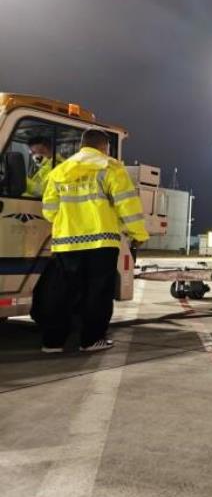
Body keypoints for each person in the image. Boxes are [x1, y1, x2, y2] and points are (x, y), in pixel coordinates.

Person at [39, 129, 148, 353]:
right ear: (104, 147)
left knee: (63, 293)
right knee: (97, 293)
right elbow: (127, 206)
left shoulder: (60, 171)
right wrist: (138, 235)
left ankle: (53, 342)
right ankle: (91, 340)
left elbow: (49, 212)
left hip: (67, 243)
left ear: (82, 145)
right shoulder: (111, 168)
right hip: (101, 243)